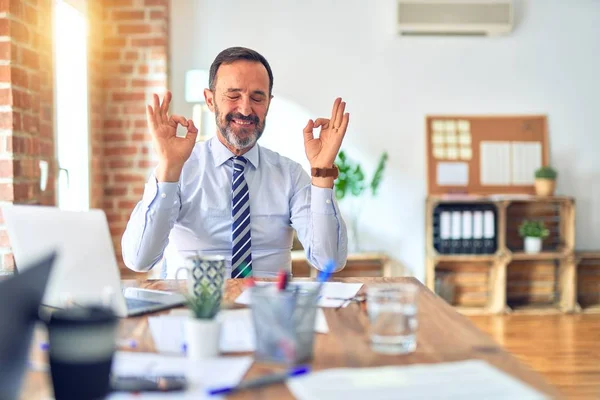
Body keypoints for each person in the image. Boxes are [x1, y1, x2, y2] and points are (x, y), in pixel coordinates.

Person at [122, 47, 349, 278]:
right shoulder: (178, 168)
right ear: (210, 101)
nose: (245, 109)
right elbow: (139, 260)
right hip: (193, 308)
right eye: (233, 95)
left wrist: (322, 172)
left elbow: (328, 260)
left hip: (267, 308)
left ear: (268, 103)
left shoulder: (290, 175)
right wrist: (169, 168)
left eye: (257, 97)